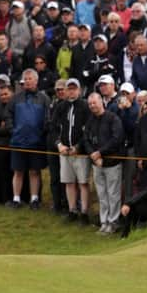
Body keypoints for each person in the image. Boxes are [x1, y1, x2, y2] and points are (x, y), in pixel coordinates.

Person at [5, 69, 50, 210]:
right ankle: (16, 199)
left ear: (36, 81)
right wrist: (12, 129)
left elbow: (48, 118)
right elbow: (7, 115)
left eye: (30, 78)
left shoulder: (44, 98)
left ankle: (34, 199)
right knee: (18, 171)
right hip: (18, 141)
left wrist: (41, 132)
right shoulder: (16, 98)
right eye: (26, 79)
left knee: (34, 171)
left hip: (36, 141)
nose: (28, 81)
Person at [82, 92, 124, 234]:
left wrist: (100, 153)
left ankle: (114, 222)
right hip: (97, 164)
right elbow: (86, 139)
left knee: (113, 194)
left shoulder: (113, 118)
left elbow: (117, 139)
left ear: (101, 102)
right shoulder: (90, 120)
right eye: (90, 104)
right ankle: (104, 221)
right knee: (102, 194)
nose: (92, 106)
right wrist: (93, 155)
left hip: (112, 163)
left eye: (94, 102)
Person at [53, 78, 91, 223]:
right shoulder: (61, 107)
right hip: (64, 151)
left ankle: (84, 213)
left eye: (74, 88)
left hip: (80, 152)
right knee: (69, 182)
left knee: (83, 183)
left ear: (79, 90)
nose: (72, 91)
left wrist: (78, 146)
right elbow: (54, 128)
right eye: (69, 88)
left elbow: (87, 130)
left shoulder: (85, 106)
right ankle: (72, 210)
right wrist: (59, 145)